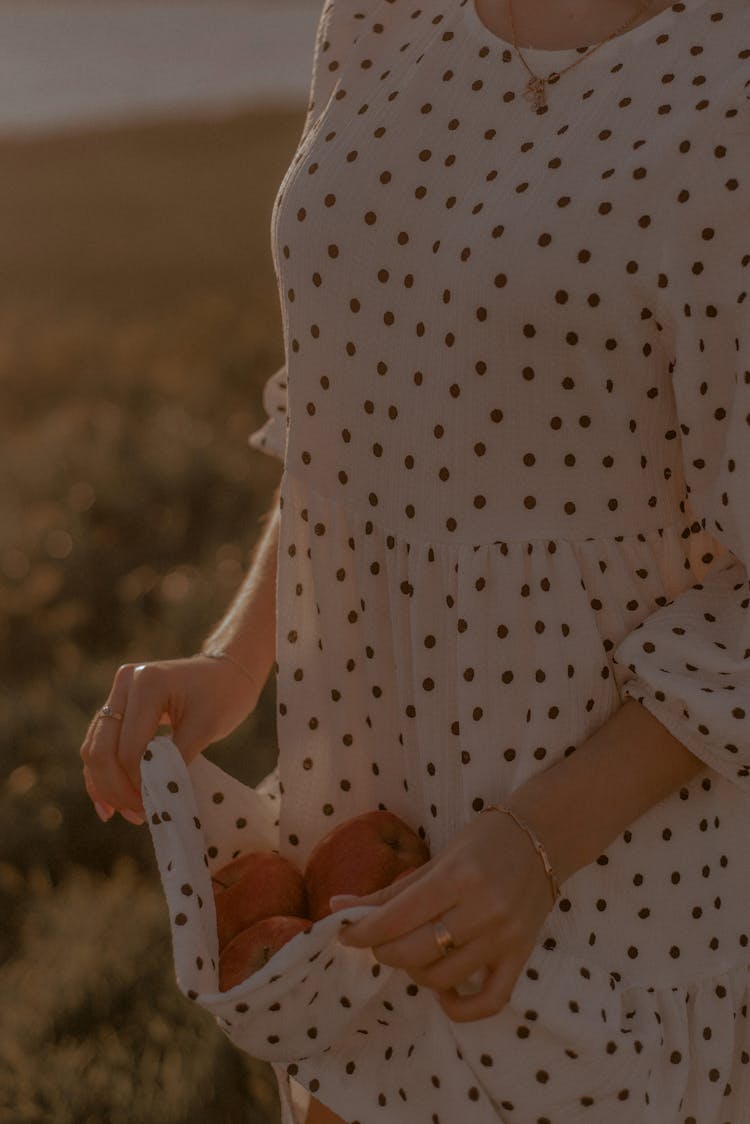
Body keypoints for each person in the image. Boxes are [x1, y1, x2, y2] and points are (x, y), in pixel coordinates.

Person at [80, 0, 750, 1121]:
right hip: (361, 882)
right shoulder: (381, 15)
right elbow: (358, 405)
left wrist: (537, 844)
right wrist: (234, 661)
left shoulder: (728, 82)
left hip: (614, 900)